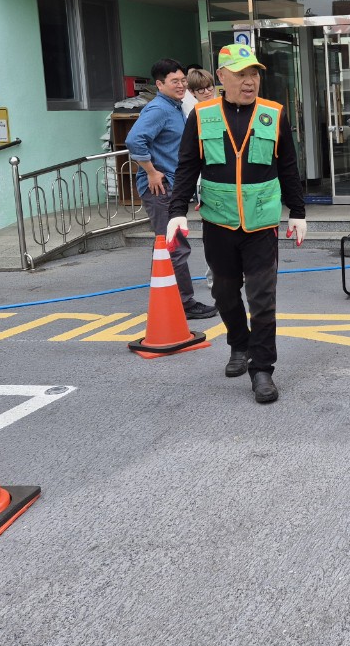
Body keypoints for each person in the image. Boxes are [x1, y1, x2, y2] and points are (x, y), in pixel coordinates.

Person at [166, 44, 307, 405]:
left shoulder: (274, 114)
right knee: (224, 294)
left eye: (255, 73)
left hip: (261, 224)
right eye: (242, 73)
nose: (250, 81)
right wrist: (177, 210)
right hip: (219, 222)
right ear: (222, 76)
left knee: (263, 299)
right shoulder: (203, 115)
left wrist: (299, 211)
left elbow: (289, 166)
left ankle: (262, 370)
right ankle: (239, 344)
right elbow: (187, 166)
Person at [126, 59, 217, 321]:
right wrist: (152, 172)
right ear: (159, 84)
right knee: (174, 246)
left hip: (174, 186)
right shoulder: (159, 109)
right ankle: (183, 303)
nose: (181, 85)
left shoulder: (175, 107)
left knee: (170, 245)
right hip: (160, 188)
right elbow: (134, 140)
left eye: (182, 80)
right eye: (174, 81)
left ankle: (169, 297)